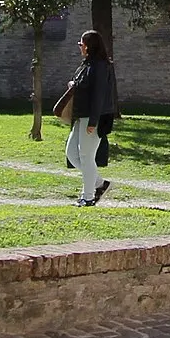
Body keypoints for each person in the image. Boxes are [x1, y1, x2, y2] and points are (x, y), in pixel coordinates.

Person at [64, 29, 118, 207]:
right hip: (81, 116)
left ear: (88, 46)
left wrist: (93, 122)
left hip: (94, 117)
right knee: (72, 153)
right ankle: (100, 184)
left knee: (86, 157)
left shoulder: (101, 66)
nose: (80, 47)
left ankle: (87, 197)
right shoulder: (87, 64)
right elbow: (81, 84)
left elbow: (99, 95)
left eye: (81, 44)